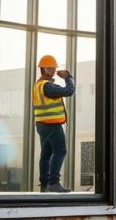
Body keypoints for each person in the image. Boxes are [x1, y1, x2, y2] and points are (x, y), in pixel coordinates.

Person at [33, 55, 75, 193]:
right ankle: (54, 183)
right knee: (60, 150)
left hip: (41, 124)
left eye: (53, 68)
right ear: (43, 69)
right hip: (51, 124)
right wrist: (68, 77)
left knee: (46, 154)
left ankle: (44, 184)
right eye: (49, 68)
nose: (52, 71)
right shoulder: (47, 87)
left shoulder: (38, 85)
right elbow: (69, 91)